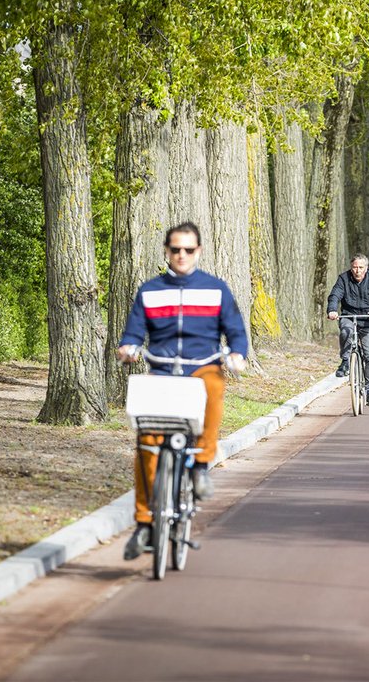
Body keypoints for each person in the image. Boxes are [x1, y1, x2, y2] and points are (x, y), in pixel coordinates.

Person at [117, 222, 248, 560]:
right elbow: (134, 331)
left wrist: (236, 353)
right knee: (147, 443)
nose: (181, 255)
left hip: (201, 365)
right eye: (175, 249)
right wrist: (128, 347)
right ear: (166, 251)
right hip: (161, 370)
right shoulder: (149, 291)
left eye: (188, 250)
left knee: (214, 385)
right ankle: (145, 523)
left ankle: (201, 464)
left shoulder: (216, 289)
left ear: (198, 252)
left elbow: (235, 329)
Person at [326, 253, 369, 406]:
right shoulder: (343, 278)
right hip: (349, 316)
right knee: (345, 331)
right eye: (355, 267)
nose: (357, 270)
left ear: (366, 268)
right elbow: (334, 295)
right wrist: (332, 310)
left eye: (361, 267)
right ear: (351, 267)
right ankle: (345, 361)